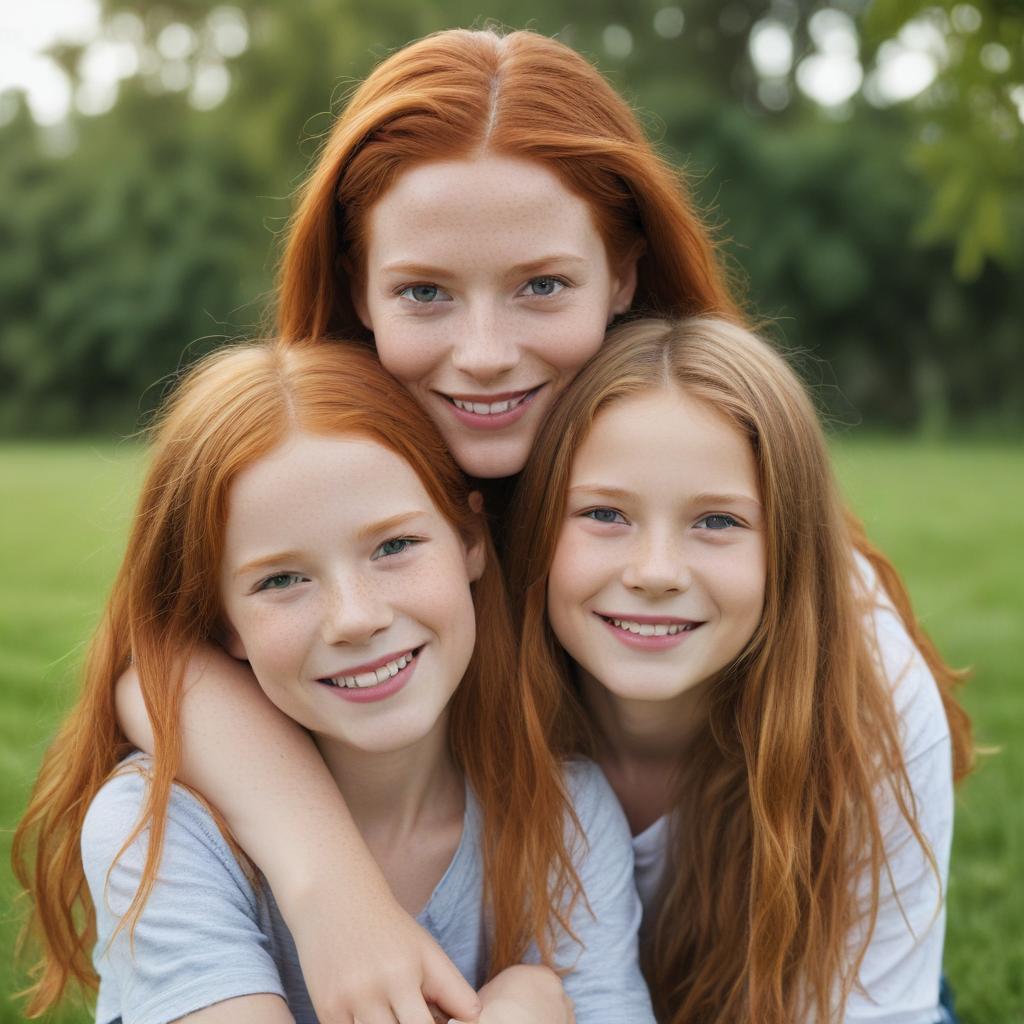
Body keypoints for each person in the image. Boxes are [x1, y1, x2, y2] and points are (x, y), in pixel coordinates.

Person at [106, 26, 968, 1021]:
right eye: (425, 291)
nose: (481, 354)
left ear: (624, 276)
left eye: (541, 285)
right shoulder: (366, 512)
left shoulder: (833, 633)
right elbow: (170, 662)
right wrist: (324, 881)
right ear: (357, 292)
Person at [13, 340, 656, 1024]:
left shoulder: (564, 815)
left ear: (469, 537)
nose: (355, 618)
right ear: (222, 620)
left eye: (394, 546)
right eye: (282, 580)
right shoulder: (162, 830)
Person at [506, 317, 972, 1023]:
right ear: (538, 522)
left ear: (790, 548)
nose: (655, 573)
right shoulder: (464, 667)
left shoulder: (871, 701)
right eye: (604, 513)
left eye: (717, 522)